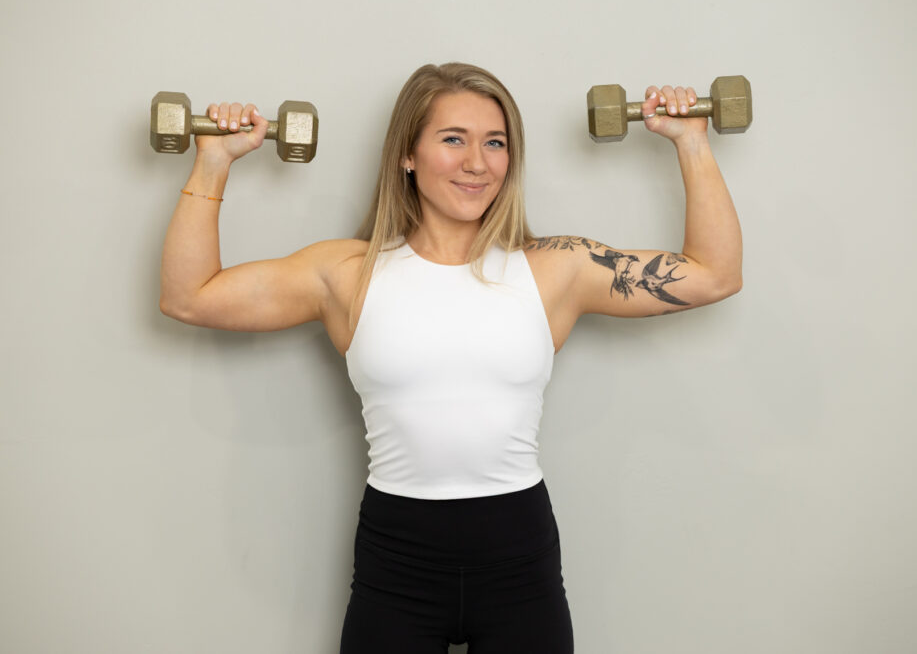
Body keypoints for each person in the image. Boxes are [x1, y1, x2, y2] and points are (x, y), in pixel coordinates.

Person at [159, 62, 742, 653]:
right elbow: (190, 297)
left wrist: (691, 141)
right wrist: (213, 160)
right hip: (397, 560)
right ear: (406, 155)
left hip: (519, 558)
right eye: (453, 139)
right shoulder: (347, 273)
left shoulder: (554, 269)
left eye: (495, 143)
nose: (477, 163)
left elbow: (714, 276)